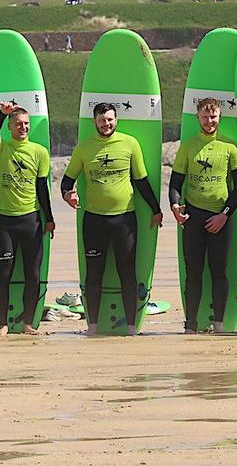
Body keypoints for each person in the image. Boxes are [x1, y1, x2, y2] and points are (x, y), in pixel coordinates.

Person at [61, 103, 163, 335]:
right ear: (94, 122)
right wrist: (68, 195)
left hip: (124, 220)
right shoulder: (84, 148)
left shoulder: (130, 144)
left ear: (116, 120)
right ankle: (93, 327)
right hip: (94, 221)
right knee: (93, 273)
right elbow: (66, 181)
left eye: (110, 119)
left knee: (127, 272)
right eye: (102, 120)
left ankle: (130, 328)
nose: (106, 124)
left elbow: (141, 181)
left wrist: (156, 210)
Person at [169, 98, 237, 333]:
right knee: (193, 271)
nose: (209, 121)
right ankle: (191, 325)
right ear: (198, 118)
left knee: (219, 270)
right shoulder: (189, 146)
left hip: (220, 218)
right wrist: (174, 206)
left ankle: (220, 324)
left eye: (213, 117)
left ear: (219, 117)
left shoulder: (230, 147)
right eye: (205, 116)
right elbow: (175, 184)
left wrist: (224, 215)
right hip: (193, 216)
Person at [0, 102, 56, 335]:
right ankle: (2, 325)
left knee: (32, 273)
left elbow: (42, 188)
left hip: (31, 221)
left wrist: (49, 218)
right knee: (3, 273)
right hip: (5, 221)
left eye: (26, 124)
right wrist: (1, 113)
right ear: (10, 127)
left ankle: (28, 323)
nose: (23, 127)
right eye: (18, 124)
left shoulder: (39, 152)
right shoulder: (1, 148)